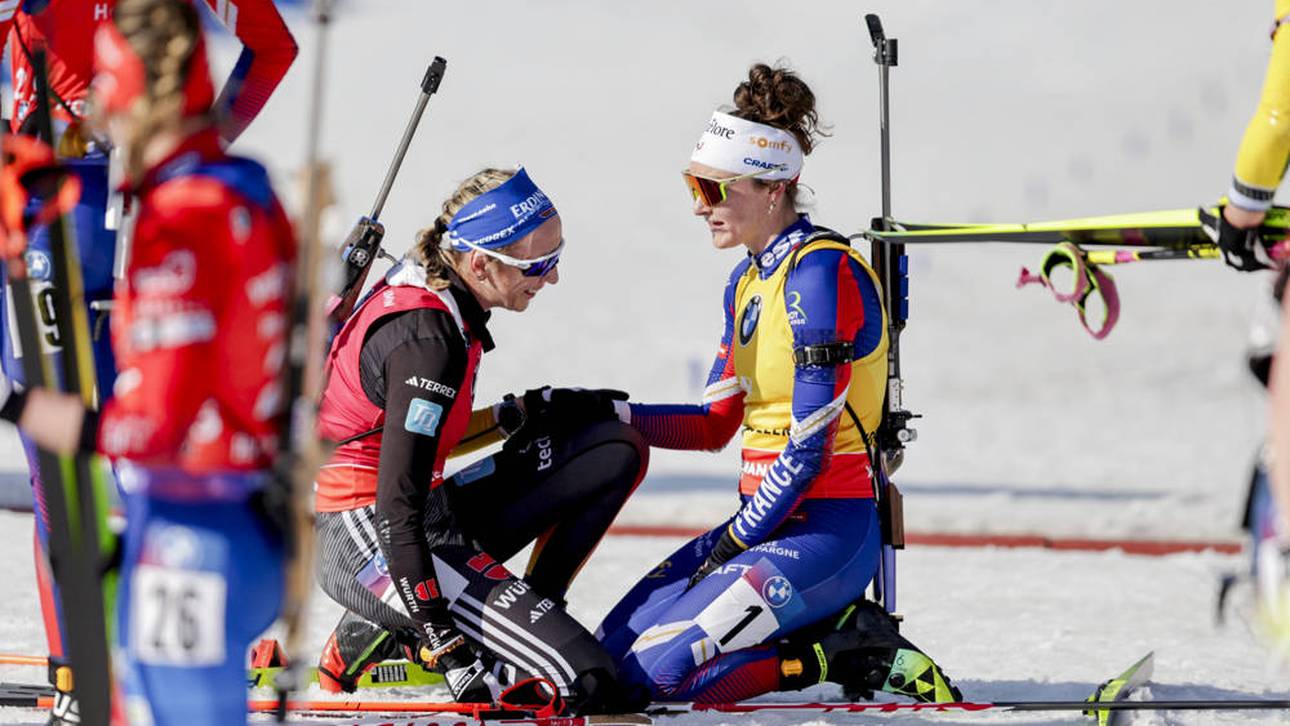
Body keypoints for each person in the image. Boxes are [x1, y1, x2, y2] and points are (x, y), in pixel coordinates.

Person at [595, 63, 959, 704]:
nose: (699, 205)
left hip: (826, 531)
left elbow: (809, 445)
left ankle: (843, 655)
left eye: (714, 189)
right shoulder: (744, 281)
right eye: (694, 185)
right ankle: (794, 636)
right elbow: (712, 425)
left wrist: (735, 539)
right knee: (604, 662)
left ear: (773, 188)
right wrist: (603, 414)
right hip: (765, 524)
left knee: (656, 682)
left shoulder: (822, 273)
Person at [0, 0, 296, 721]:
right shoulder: (242, 191)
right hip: (93, 192)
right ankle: (101, 674)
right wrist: (204, 143)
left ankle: (90, 676)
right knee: (99, 474)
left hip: (72, 207)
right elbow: (272, 47)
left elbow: (272, 44)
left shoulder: (195, 203)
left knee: (75, 470)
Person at [312, 166, 649, 713]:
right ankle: (432, 632)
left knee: (610, 447)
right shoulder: (429, 343)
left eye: (557, 257)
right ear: (481, 263)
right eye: (538, 265)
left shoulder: (443, 294)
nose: (552, 278)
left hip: (426, 511)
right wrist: (448, 649)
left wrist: (519, 413)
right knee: (588, 683)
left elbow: (419, 439)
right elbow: (397, 510)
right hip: (370, 536)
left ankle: (522, 619)